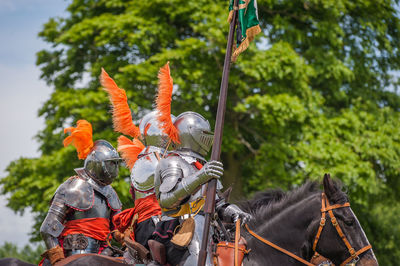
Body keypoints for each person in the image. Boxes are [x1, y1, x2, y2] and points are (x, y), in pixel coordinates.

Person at [152, 63, 253, 266]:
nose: (208, 139)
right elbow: (167, 201)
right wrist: (201, 177)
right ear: (192, 135)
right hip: (178, 229)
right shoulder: (173, 162)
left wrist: (235, 212)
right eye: (204, 135)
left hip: (209, 228)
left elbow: (217, 204)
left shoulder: (202, 165)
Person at [39, 120, 122, 265]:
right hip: (75, 253)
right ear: (96, 164)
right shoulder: (72, 187)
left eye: (115, 163)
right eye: (110, 163)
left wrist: (126, 237)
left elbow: (118, 228)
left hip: (105, 251)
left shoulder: (111, 193)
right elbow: (48, 229)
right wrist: (58, 259)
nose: (114, 168)